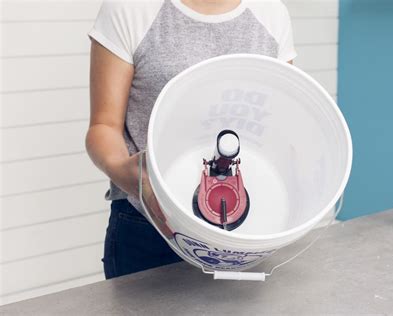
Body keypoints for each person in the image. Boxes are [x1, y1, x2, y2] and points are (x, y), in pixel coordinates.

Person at [86, 0, 297, 279]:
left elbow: (278, 123)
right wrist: (126, 174)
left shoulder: (272, 14)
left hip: (244, 229)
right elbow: (104, 125)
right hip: (149, 224)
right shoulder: (129, 9)